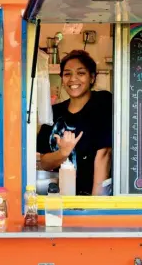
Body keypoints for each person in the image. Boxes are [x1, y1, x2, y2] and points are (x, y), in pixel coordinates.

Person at [37, 50, 112, 196]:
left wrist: (95, 207)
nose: (73, 79)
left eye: (81, 73)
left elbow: (104, 155)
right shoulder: (54, 112)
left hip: (93, 197)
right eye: (67, 74)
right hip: (62, 197)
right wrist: (62, 153)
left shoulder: (102, 103)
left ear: (92, 77)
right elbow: (45, 163)